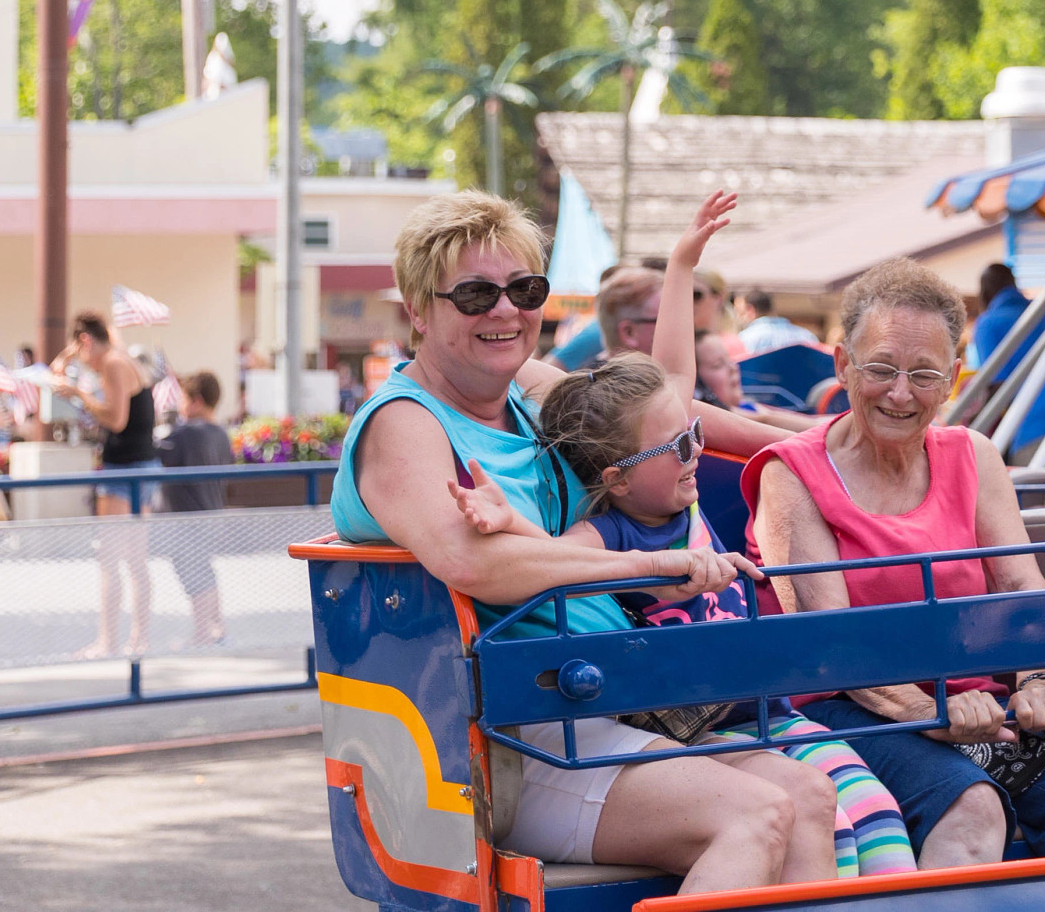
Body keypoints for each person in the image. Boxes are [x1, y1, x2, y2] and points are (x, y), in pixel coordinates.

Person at [333, 189, 843, 892]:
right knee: (754, 814)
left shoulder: (531, 390)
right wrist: (648, 564)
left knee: (812, 798)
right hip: (511, 734)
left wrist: (823, 446)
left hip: (610, 698)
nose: (506, 310)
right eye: (476, 294)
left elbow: (661, 416)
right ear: (419, 309)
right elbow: (471, 558)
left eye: (524, 288)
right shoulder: (404, 422)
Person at [451, 213, 916, 880]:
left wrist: (682, 264)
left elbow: (673, 374)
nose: (697, 451)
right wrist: (509, 521)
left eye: (694, 436)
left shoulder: (684, 493)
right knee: (825, 817)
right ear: (616, 477)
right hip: (703, 719)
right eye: (678, 446)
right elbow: (562, 564)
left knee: (874, 815)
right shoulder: (615, 531)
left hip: (761, 705)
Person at [747, 258, 1045, 869]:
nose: (900, 392)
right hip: (846, 709)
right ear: (843, 366)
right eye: (882, 369)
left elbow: (1019, 585)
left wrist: (1037, 678)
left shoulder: (973, 453)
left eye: (922, 374)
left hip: (974, 703)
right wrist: (927, 712)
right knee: (972, 809)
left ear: (952, 379)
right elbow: (826, 641)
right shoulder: (793, 473)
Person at [50, 311, 157, 658]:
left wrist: (80, 393)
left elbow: (116, 418)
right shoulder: (118, 357)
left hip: (126, 469)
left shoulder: (112, 363)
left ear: (85, 341)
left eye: (78, 347)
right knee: (132, 561)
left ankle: (109, 641)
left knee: (113, 561)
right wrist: (70, 355)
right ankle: (136, 639)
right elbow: (56, 370)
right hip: (137, 467)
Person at [156, 370, 233, 647]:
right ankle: (216, 627)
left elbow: (156, 453)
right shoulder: (222, 435)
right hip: (211, 515)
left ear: (197, 401)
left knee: (194, 574)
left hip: (186, 519)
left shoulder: (186, 434)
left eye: (183, 399)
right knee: (204, 572)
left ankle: (203, 632)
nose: (179, 406)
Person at [696, 331, 810, 433]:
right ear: (697, 385)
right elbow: (766, 420)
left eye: (729, 358)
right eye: (717, 364)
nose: (733, 367)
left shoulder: (748, 405)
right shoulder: (723, 420)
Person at [966, 264, 1033, 386]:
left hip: (1027, 402)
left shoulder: (987, 324)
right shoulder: (1043, 314)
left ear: (984, 293)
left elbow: (995, 384)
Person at [735, 290, 818, 354]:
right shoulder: (806, 336)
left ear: (750, 310)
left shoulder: (744, 339)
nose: (740, 318)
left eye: (741, 313)